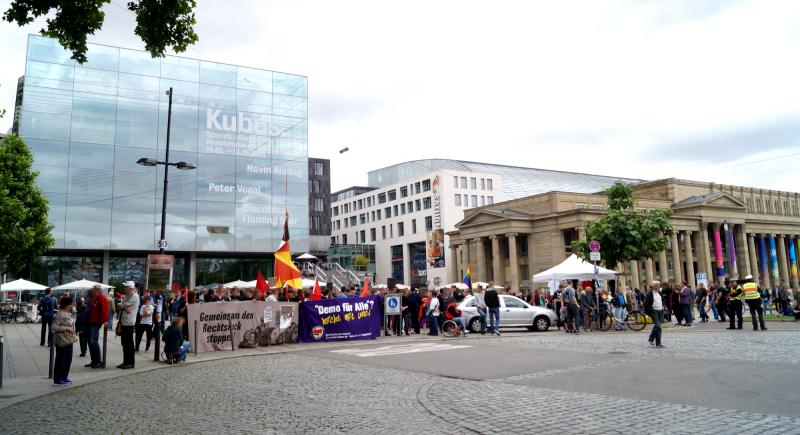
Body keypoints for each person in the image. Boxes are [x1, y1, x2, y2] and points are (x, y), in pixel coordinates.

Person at [52, 296, 76, 385]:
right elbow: (54, 327)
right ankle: (58, 379)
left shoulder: (68, 313)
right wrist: (66, 328)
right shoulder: (60, 314)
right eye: (72, 303)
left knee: (68, 359)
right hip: (62, 340)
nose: (73, 305)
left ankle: (64, 377)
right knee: (61, 359)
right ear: (67, 305)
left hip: (69, 339)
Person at [84, 286, 108, 368]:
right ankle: (94, 361)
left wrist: (105, 320)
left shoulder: (101, 298)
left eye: (93, 290)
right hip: (90, 322)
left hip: (95, 322)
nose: (92, 291)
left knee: (93, 341)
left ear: (97, 290)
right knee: (90, 341)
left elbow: (105, 310)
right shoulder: (94, 298)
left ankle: (98, 361)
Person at [117, 282, 140, 369]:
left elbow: (123, 305)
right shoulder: (127, 295)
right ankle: (125, 361)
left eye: (126, 287)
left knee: (129, 344)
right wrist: (123, 306)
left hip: (129, 323)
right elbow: (122, 306)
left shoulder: (134, 296)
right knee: (124, 343)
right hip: (124, 321)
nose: (124, 288)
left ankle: (130, 363)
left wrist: (123, 306)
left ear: (130, 288)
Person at [645, 281, 665, 348]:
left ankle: (658, 343)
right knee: (657, 325)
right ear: (653, 286)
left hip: (660, 310)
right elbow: (646, 303)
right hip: (654, 311)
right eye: (656, 286)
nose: (658, 287)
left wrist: (663, 306)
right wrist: (650, 308)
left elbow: (663, 300)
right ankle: (651, 338)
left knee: (659, 327)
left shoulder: (659, 293)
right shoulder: (650, 293)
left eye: (658, 286)